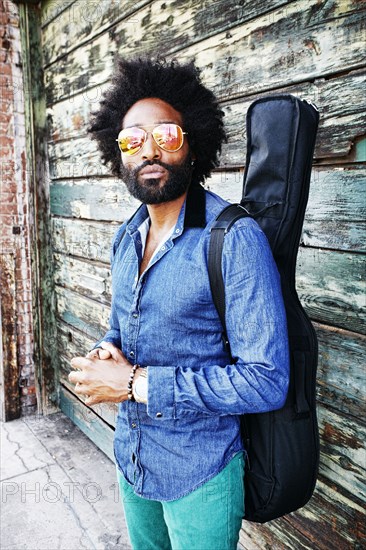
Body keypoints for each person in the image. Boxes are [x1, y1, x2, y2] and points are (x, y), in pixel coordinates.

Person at [69, 58, 289, 550]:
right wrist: (108, 352)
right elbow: (122, 328)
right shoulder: (126, 236)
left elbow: (267, 380)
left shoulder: (233, 240)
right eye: (132, 140)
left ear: (193, 143)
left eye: (166, 135)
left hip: (201, 470)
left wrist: (133, 383)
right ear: (117, 152)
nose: (149, 150)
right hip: (133, 455)